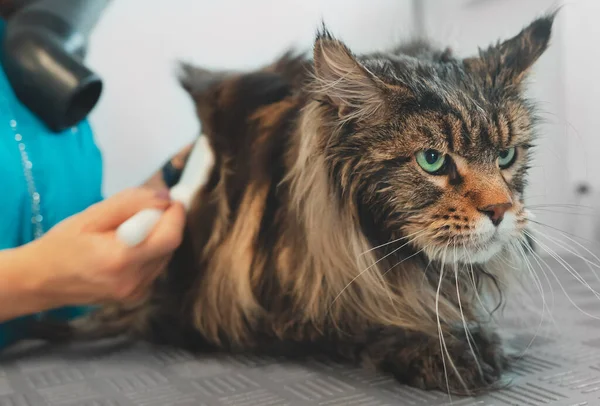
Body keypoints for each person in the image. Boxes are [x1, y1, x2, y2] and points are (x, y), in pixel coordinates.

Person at [0, 1, 192, 349]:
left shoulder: (38, 57)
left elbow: (62, 227)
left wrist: (168, 183)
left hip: (60, 363)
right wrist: (40, 277)